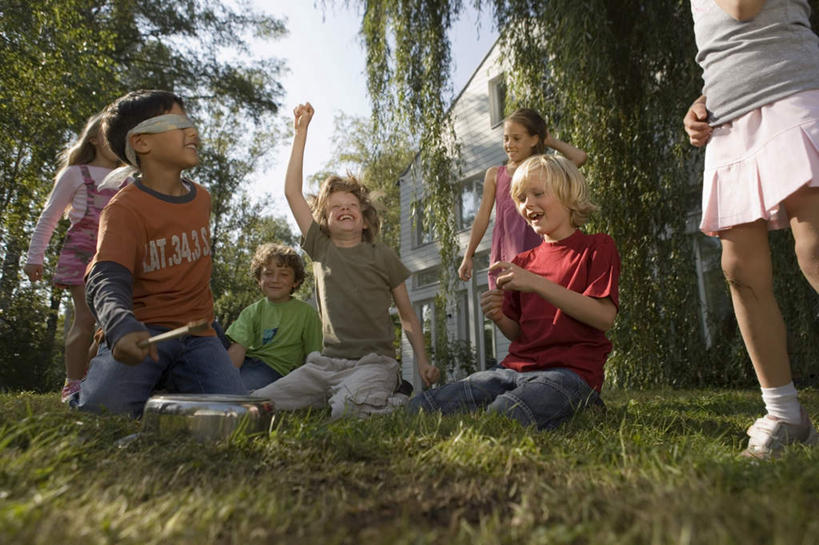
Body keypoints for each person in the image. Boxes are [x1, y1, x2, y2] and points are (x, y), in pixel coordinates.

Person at [683, 0, 819, 458]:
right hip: (729, 120)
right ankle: (785, 413)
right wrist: (704, 100)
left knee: (815, 248)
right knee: (740, 269)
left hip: (792, 90)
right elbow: (724, 43)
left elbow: (743, 8)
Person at [252, 102, 440, 419]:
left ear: (364, 220)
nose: (344, 209)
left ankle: (396, 399)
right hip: (325, 366)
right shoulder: (320, 246)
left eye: (351, 205)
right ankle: (334, 396)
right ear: (324, 221)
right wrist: (301, 133)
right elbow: (292, 193)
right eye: (335, 207)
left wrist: (422, 361)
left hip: (374, 364)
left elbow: (408, 315)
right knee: (258, 404)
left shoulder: (382, 255)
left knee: (346, 411)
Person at [409, 154, 620, 430]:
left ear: (569, 195)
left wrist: (536, 283)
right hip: (513, 370)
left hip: (570, 373)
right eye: (520, 198)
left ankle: (585, 404)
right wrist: (499, 316)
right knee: (424, 406)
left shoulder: (597, 247)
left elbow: (603, 317)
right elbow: (519, 333)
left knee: (504, 414)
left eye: (538, 194)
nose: (527, 204)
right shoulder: (522, 262)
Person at [75, 89, 246, 417]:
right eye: (178, 124)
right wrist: (119, 325)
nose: (192, 131)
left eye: (190, 123)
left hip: (199, 335)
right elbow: (105, 277)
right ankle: (115, 369)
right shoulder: (124, 209)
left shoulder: (202, 199)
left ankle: (164, 383)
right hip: (144, 332)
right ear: (141, 142)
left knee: (235, 415)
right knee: (102, 413)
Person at [23, 113, 120, 402]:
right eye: (109, 134)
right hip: (81, 252)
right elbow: (50, 216)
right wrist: (34, 257)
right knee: (86, 317)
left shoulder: (126, 178)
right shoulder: (76, 174)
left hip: (114, 255)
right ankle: (73, 383)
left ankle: (89, 375)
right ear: (93, 139)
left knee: (113, 322)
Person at [458, 108, 588, 288]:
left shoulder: (545, 170)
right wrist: (468, 255)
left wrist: (549, 140)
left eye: (516, 138)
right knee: (503, 303)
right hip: (506, 255)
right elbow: (482, 218)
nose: (509, 144)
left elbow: (579, 158)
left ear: (534, 140)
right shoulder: (495, 175)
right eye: (506, 138)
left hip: (539, 253)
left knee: (539, 300)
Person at [225, 242, 323, 390]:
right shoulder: (252, 311)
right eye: (268, 273)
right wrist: (225, 378)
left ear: (295, 282)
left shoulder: (306, 313)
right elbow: (238, 349)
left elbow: (314, 356)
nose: (275, 279)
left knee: (241, 390)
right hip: (247, 362)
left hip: (274, 370)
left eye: (284, 274)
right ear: (259, 279)